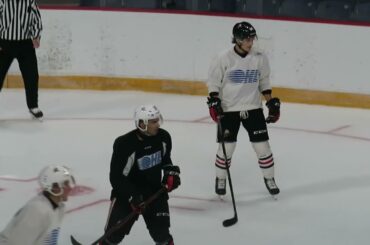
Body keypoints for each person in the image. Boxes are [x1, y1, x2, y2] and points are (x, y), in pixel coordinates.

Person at [206, 21, 281, 197]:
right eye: (247, 39)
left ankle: (269, 179)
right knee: (227, 148)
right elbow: (213, 83)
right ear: (238, 40)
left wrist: (270, 103)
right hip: (228, 109)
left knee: (263, 147)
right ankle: (221, 178)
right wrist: (214, 101)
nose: (251, 42)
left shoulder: (260, 57)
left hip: (253, 108)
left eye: (252, 38)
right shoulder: (223, 58)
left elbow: (264, 82)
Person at [100, 104, 181, 245]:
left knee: (162, 236)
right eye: (153, 122)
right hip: (126, 194)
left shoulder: (163, 137)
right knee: (112, 236)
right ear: (142, 124)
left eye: (157, 120)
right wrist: (132, 196)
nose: (157, 124)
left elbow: (166, 160)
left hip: (154, 191)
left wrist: (170, 173)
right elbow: (116, 178)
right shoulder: (125, 144)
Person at [0, 165, 76, 244]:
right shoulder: (37, 211)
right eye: (66, 184)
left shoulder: (59, 208)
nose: (70, 187)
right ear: (55, 187)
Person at [0, 0, 44, 120]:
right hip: (4, 43)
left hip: (25, 43)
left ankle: (33, 106)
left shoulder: (30, 1)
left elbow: (36, 17)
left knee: (32, 75)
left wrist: (36, 35)